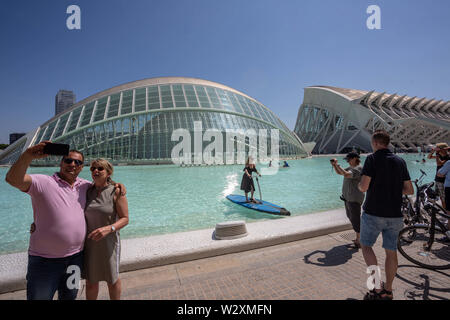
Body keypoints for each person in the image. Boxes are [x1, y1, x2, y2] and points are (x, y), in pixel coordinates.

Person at [4, 141, 125, 300]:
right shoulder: (43, 182)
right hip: (45, 262)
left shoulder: (85, 186)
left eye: (78, 162)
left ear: (81, 167)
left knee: (69, 297)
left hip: (75, 259)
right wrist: (28, 156)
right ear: (61, 163)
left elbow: (104, 185)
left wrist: (118, 185)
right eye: (68, 160)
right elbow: (12, 180)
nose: (73, 164)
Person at [358, 130, 414, 300]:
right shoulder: (400, 161)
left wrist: (359, 187)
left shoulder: (371, 159)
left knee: (366, 246)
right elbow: (409, 190)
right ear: (387, 143)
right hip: (395, 215)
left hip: (373, 213)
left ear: (375, 143)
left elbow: (364, 187)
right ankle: (388, 290)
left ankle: (375, 287)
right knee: (391, 252)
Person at [84, 159, 129, 300]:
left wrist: (110, 228)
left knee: (112, 280)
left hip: (109, 243)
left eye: (100, 169)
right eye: (92, 169)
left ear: (108, 172)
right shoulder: (86, 191)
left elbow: (125, 218)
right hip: (89, 244)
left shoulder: (116, 191)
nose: (95, 171)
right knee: (91, 282)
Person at [331, 152, 365, 249]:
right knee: (351, 217)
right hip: (348, 198)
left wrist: (337, 165)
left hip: (354, 198)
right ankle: (359, 237)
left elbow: (346, 174)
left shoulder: (358, 168)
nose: (348, 161)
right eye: (347, 160)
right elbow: (340, 172)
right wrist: (334, 166)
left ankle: (360, 240)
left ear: (355, 158)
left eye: (348, 159)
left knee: (355, 218)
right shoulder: (351, 168)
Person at [428, 142, 449, 210]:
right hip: (438, 179)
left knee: (444, 198)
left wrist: (437, 155)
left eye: (437, 148)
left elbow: (439, 164)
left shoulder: (448, 157)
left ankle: (446, 213)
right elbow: (429, 157)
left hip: (443, 180)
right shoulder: (439, 155)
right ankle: (445, 211)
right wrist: (432, 151)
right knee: (440, 197)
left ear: (442, 149)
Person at [436, 148, 450, 240]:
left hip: (449, 188)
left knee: (449, 212)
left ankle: (448, 234)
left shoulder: (449, 163)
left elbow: (439, 174)